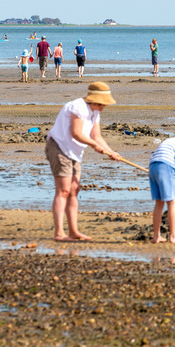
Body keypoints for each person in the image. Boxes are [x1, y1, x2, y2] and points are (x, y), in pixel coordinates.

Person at [45, 82, 120, 241]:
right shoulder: (77, 107)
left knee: (74, 190)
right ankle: (59, 233)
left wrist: (111, 152)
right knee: (63, 190)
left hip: (75, 152)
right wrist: (94, 146)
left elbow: (97, 136)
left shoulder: (95, 112)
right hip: (59, 147)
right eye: (102, 103)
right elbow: (76, 133)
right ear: (95, 100)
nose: (104, 106)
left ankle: (73, 232)